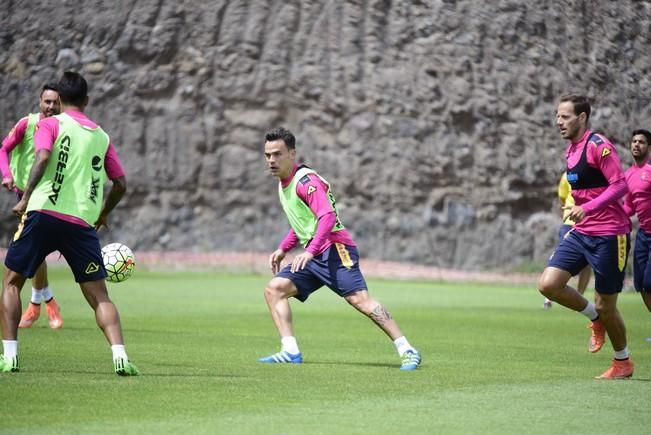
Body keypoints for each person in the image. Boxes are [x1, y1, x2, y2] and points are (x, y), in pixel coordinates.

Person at [0, 71, 139, 375]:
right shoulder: (101, 136)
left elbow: (43, 157)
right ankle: (120, 356)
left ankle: (9, 356)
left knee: (11, 283)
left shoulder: (49, 123)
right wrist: (103, 213)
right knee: (100, 295)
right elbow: (121, 184)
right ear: (87, 101)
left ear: (59, 100)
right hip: (81, 223)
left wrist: (25, 199)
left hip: (42, 213)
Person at [259, 127, 421, 370]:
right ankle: (290, 351)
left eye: (277, 154)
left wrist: (310, 251)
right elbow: (304, 223)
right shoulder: (285, 184)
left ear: (292, 154)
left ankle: (407, 349)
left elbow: (326, 216)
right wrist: (284, 248)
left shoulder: (306, 182)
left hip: (335, 249)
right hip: (314, 253)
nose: (272, 160)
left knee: (359, 300)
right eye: (268, 155)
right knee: (275, 289)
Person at [538, 94, 633, 379]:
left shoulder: (598, 146)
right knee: (548, 284)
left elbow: (620, 186)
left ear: (582, 118)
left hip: (609, 235)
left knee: (608, 305)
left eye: (565, 116)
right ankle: (595, 318)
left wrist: (586, 208)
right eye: (557, 116)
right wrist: (575, 208)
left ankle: (623, 362)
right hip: (581, 232)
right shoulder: (570, 151)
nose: (559, 122)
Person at [1, 83, 64, 329]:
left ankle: (42, 302)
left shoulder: (64, 128)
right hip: (25, 196)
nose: (50, 106)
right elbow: (3, 149)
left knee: (37, 250)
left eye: (55, 102)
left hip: (51, 196)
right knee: (36, 251)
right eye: (47, 101)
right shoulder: (26, 124)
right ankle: (42, 303)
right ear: (39, 102)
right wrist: (6, 175)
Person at [543, 173, 592, 309]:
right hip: (570, 222)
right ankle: (548, 296)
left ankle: (579, 297)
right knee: (559, 255)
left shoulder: (593, 173)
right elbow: (562, 198)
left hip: (588, 223)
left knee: (587, 263)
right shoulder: (567, 176)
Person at [622, 128, 651, 340]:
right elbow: (629, 207)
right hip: (643, 234)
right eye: (633, 141)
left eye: (641, 142)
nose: (636, 145)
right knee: (640, 284)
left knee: (650, 283)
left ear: (648, 147)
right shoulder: (628, 175)